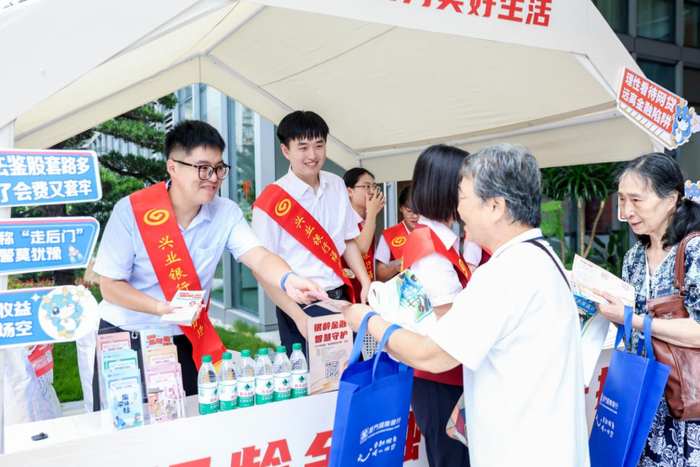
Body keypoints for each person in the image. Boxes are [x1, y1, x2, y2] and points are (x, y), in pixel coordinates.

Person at [343, 143, 589, 467]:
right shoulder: (542, 256)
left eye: (462, 197)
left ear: (495, 206)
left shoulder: (503, 274)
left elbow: (430, 354)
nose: (458, 210)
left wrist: (367, 318)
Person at [92, 120, 324, 408]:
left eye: (219, 168)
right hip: (128, 337)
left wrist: (289, 278)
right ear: (173, 167)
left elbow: (259, 256)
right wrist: (160, 308)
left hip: (186, 336)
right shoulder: (131, 211)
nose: (212, 178)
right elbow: (110, 286)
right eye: (202, 168)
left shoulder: (225, 212)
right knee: (127, 425)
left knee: (194, 419)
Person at [598, 153, 700, 466]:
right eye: (622, 199)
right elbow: (632, 329)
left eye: (636, 200)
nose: (626, 211)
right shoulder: (633, 257)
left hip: (688, 401)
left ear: (671, 199)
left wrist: (632, 318)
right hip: (643, 400)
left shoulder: (695, 250)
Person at [251, 110, 371, 356]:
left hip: (341, 300)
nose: (313, 155)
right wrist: (299, 318)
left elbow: (347, 239)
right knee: (309, 377)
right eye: (303, 148)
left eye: (319, 145)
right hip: (300, 308)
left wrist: (366, 281)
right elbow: (260, 269)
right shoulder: (272, 200)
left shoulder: (336, 185)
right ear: (286, 150)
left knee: (350, 373)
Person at [393, 145, 475, 467]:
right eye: (465, 184)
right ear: (446, 188)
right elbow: (451, 319)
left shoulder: (436, 238)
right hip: (440, 379)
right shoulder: (430, 247)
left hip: (444, 375)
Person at [343, 167, 385, 302]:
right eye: (366, 186)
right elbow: (361, 248)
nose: (372, 191)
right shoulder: (343, 218)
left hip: (367, 285)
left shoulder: (368, 218)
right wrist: (372, 213)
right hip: (347, 289)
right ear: (350, 191)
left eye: (374, 187)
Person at [375, 185, 419, 282]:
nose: (415, 216)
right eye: (409, 211)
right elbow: (380, 274)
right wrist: (396, 268)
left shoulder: (432, 232)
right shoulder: (389, 235)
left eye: (419, 210)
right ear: (401, 208)